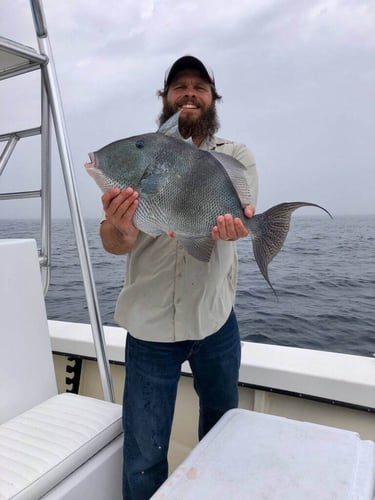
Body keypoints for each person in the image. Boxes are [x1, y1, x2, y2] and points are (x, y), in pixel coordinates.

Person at [100, 55, 258, 500]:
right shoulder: (141, 156)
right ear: (166, 99)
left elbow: (238, 219)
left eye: (199, 87)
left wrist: (238, 227)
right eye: (179, 87)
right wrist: (121, 226)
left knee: (221, 439)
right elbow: (114, 243)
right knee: (145, 456)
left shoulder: (235, 157)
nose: (189, 93)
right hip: (150, 329)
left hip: (214, 323)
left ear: (212, 99)